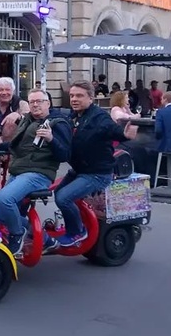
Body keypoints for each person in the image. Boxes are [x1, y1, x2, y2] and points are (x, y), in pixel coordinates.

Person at [0, 89, 71, 256]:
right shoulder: (28, 120)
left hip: (38, 173)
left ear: (48, 103)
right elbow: (18, 144)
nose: (35, 104)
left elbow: (65, 155)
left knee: (4, 198)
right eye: (32, 101)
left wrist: (51, 139)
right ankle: (47, 240)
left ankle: (18, 234)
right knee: (0, 215)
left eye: (39, 101)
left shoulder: (57, 123)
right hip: (19, 170)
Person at [55, 80, 137, 247]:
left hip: (97, 173)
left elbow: (113, 130)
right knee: (58, 192)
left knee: (63, 198)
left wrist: (125, 134)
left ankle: (77, 232)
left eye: (79, 95)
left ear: (91, 98)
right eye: (71, 96)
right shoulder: (73, 116)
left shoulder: (99, 117)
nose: (74, 99)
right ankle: (78, 222)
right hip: (80, 170)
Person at [0, 77, 30, 142]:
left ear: (13, 91)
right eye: (1, 90)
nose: (4, 93)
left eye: (8, 89)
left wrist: (18, 116)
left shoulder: (22, 104)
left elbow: (29, 120)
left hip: (15, 145)